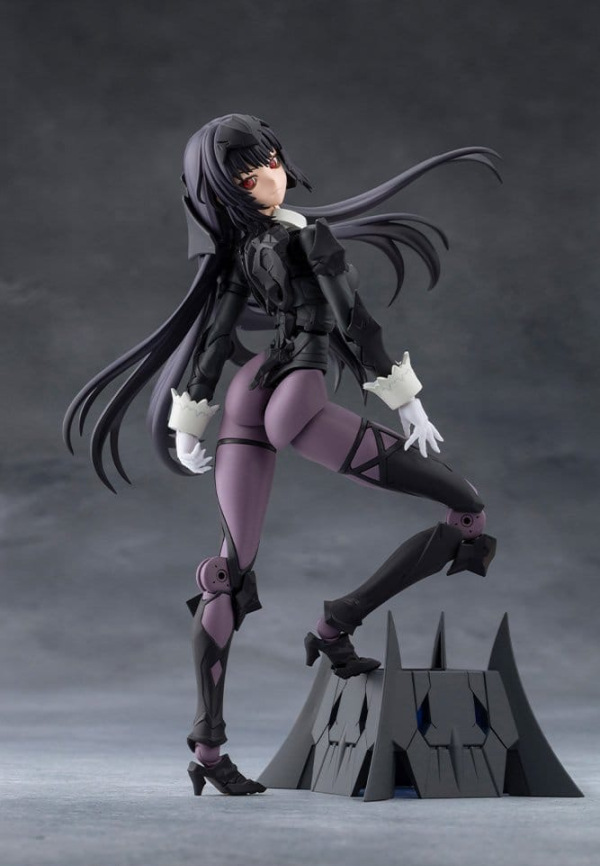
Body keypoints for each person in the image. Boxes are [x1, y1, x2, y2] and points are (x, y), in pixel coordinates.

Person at [64, 114, 498, 796]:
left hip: (248, 392)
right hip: (295, 396)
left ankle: (209, 751)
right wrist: (405, 399)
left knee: (228, 574)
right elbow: (354, 321)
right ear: (227, 191)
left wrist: (190, 419)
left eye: (269, 158)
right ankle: (337, 621)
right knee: (467, 511)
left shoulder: (239, 251)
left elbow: (214, 341)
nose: (269, 172)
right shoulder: (307, 237)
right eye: (248, 172)